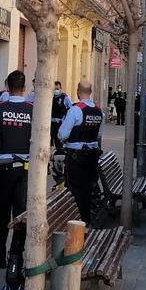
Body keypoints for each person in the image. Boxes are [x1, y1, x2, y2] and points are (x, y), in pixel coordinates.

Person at [0, 70, 31, 272]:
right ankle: (16, 253)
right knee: (20, 213)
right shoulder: (33, 109)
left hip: (3, 167)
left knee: (1, 215)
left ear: (7, 86)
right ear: (24, 89)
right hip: (25, 169)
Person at [57, 80, 105, 225]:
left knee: (75, 191)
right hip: (92, 156)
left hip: (76, 157)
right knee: (88, 189)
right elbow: (99, 134)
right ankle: (86, 220)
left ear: (78, 91)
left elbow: (62, 134)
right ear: (90, 92)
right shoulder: (98, 110)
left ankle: (78, 223)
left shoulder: (76, 110)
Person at [50, 80, 73, 148]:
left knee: (58, 141)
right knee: (50, 141)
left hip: (60, 123)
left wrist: (66, 119)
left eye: (57, 89)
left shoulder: (64, 98)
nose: (56, 90)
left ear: (60, 89)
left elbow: (71, 108)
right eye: (55, 89)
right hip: (50, 123)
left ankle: (58, 154)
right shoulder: (50, 97)